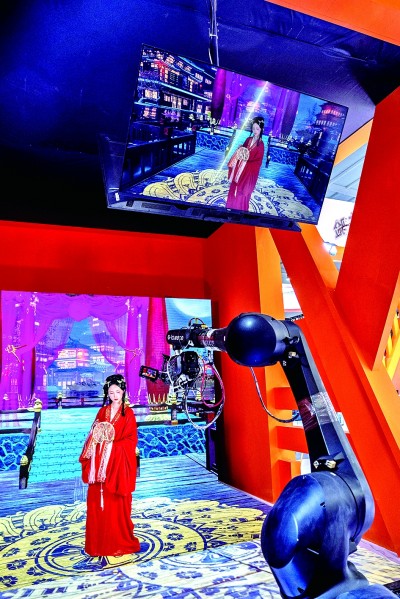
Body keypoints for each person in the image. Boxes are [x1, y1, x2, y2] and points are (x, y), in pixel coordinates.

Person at [79, 374, 140, 559]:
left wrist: (111, 446)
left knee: (116, 507)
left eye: (118, 392)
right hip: (100, 467)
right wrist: (97, 442)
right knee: (97, 505)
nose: (115, 396)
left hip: (117, 467)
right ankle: (98, 544)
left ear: (123, 392)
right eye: (111, 392)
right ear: (107, 393)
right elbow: (92, 435)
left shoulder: (128, 414)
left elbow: (131, 440)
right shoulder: (102, 412)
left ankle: (118, 542)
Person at [226, 115, 265, 211]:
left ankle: (241, 210)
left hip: (248, 173)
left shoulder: (261, 145)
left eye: (257, 129)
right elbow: (243, 151)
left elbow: (258, 162)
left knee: (243, 192)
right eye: (253, 128)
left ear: (261, 129)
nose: (255, 131)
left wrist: (247, 159)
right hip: (239, 168)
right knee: (234, 187)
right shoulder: (248, 139)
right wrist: (240, 149)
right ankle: (231, 206)